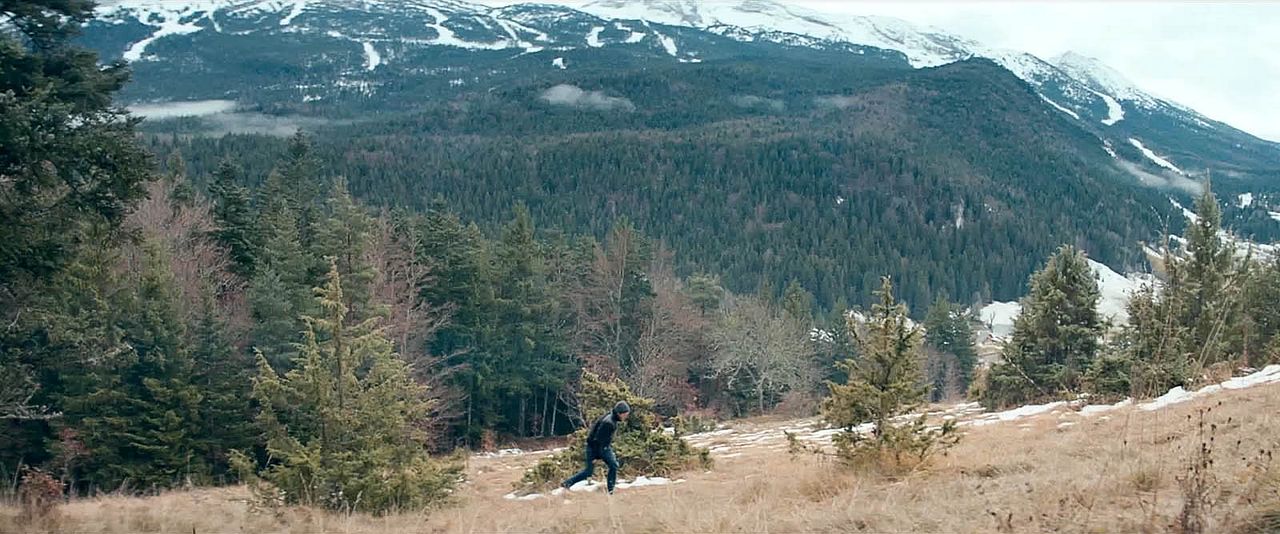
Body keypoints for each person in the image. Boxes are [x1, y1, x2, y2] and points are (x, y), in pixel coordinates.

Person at [562, 401, 630, 494]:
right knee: (588, 472)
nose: (626, 417)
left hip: (603, 447)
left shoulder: (611, 418)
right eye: (625, 414)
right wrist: (594, 456)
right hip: (595, 448)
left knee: (613, 465)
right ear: (619, 413)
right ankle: (567, 483)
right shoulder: (608, 423)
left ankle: (610, 491)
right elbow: (596, 440)